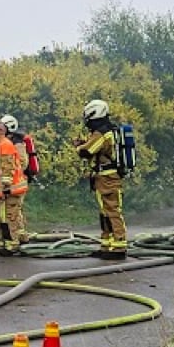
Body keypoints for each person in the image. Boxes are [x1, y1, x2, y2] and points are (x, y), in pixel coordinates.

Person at [72, 99, 128, 260]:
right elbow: (96, 148)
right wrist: (84, 144)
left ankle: (118, 246)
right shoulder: (107, 131)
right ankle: (108, 244)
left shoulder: (102, 132)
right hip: (104, 177)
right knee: (105, 212)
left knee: (112, 211)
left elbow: (87, 152)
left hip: (107, 178)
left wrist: (78, 146)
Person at [0, 117, 29, 255]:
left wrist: (6, 186)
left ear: (1, 131)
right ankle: (0, 243)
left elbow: (7, 166)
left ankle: (12, 245)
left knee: (9, 218)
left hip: (9, 191)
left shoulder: (5, 145)